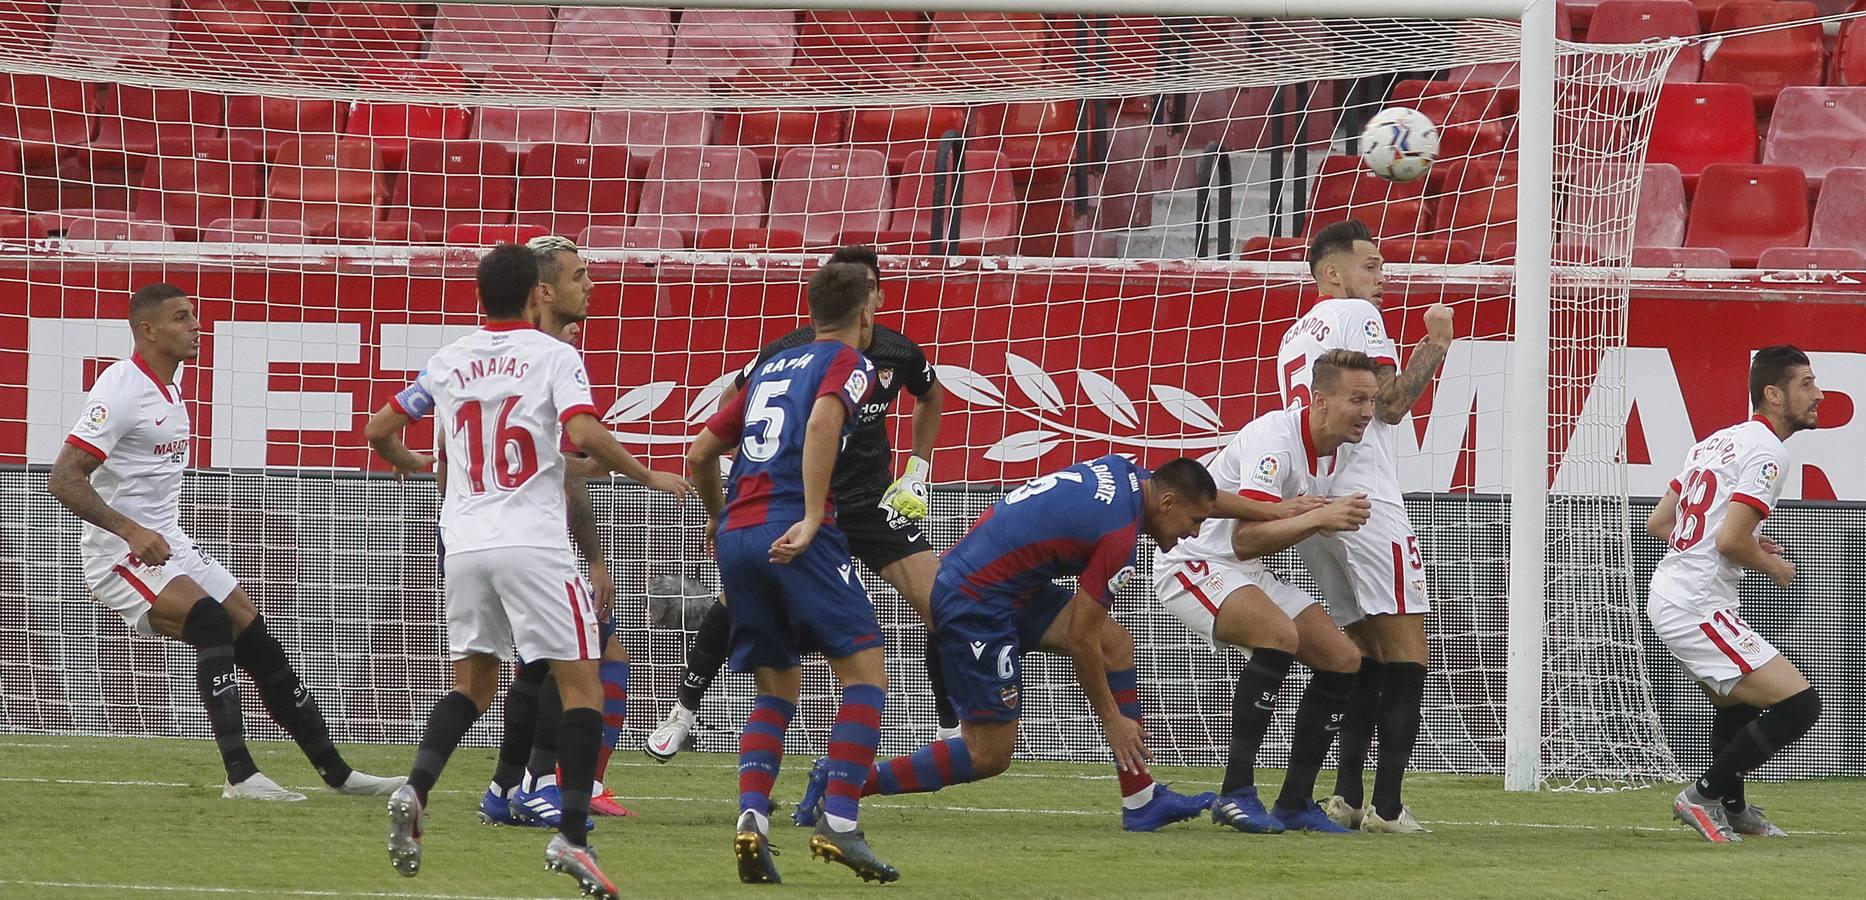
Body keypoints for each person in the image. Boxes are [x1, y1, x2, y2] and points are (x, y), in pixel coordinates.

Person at [366, 244, 692, 897]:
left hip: (462, 544)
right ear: (539, 294)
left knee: (475, 684)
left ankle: (416, 787)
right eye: (577, 279)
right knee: (584, 687)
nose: (586, 287)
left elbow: (380, 429)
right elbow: (585, 430)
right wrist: (647, 472)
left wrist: (421, 468)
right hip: (534, 544)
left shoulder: (450, 358)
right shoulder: (555, 356)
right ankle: (572, 838)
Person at [49, 282, 403, 803]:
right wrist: (130, 530)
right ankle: (240, 775)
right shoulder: (121, 387)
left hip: (169, 541)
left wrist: (155, 531)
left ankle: (337, 773)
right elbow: (63, 478)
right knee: (210, 619)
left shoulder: (171, 384)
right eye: (180, 318)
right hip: (120, 553)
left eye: (193, 315)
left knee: (255, 636)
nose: (195, 326)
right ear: (147, 330)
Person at [794, 454, 1218, 835]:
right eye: (1194, 522)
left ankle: (1141, 800)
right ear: (1168, 503)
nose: (1192, 533)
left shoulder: (1126, 471)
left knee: (1116, 643)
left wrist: (1274, 510)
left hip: (1003, 583)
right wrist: (1111, 719)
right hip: (976, 602)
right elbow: (1079, 639)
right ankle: (844, 780)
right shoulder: (1119, 537)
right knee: (990, 755)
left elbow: (1201, 499)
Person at [646, 244, 951, 759]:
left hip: (868, 501)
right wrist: (745, 486)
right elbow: (733, 405)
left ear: (877, 295)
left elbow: (931, 395)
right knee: (736, 602)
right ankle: (683, 711)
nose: (869, 297)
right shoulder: (793, 351)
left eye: (872, 284)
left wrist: (917, 472)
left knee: (943, 603)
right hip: (800, 505)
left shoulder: (899, 353)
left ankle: (949, 729)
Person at [685, 262, 898, 885]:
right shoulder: (847, 364)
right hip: (794, 530)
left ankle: (753, 816)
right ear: (866, 313)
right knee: (865, 673)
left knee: (775, 689)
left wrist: (721, 520)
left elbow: (699, 452)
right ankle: (838, 823)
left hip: (741, 535)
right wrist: (808, 517)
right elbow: (825, 422)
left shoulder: (769, 367)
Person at [1155, 349, 1380, 834]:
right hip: (1194, 561)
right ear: (1320, 401)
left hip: (1243, 569)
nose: (1367, 411)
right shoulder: (1275, 441)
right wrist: (1317, 517)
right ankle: (1235, 793)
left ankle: (1296, 801)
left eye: (1371, 400)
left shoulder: (1340, 449)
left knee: (1343, 658)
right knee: (1278, 635)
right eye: (1357, 399)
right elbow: (1243, 538)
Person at [1278, 219, 1453, 833]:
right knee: (1408, 655)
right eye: (1372, 266)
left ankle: (1349, 797)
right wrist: (1435, 344)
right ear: (1333, 274)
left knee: (1364, 654)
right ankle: (1386, 807)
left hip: (1316, 504)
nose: (1383, 279)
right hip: (1368, 501)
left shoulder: (1293, 337)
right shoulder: (1359, 318)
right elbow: (1392, 405)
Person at [1648, 345, 1823, 843]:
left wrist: (1734, 540)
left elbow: (1661, 522)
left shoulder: (1714, 442)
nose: (1819, 394)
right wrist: (1774, 565)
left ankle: (1736, 808)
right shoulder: (1769, 451)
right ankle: (1701, 796)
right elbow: (1729, 541)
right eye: (1806, 384)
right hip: (1695, 601)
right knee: (1799, 706)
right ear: (1772, 393)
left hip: (1678, 592)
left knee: (1737, 704)